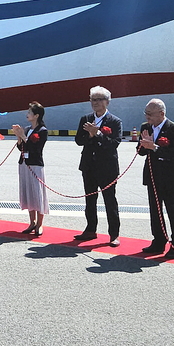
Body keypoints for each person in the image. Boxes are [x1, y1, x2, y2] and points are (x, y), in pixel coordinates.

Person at [137, 98, 174, 259]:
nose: (147, 117)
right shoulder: (146, 127)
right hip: (152, 177)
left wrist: (155, 147)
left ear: (162, 113)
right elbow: (141, 152)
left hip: (171, 179)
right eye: (146, 114)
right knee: (155, 211)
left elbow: (173, 154)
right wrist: (144, 145)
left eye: (150, 114)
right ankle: (159, 240)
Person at [74, 85, 123, 246]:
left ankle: (114, 234)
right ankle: (90, 229)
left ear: (107, 102)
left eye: (99, 100)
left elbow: (114, 143)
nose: (95, 103)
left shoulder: (115, 121)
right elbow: (78, 140)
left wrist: (99, 134)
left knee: (110, 201)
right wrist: (89, 135)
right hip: (89, 166)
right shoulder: (85, 119)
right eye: (92, 100)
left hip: (107, 168)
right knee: (90, 200)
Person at [12, 102, 49, 235]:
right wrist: (19, 137)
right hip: (24, 163)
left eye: (30, 112)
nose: (27, 115)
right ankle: (32, 222)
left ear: (36, 115)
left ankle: (39, 223)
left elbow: (36, 149)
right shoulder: (28, 129)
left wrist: (23, 136)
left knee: (37, 193)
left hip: (35, 164)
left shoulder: (42, 131)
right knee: (28, 192)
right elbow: (21, 148)